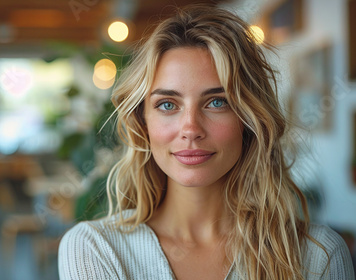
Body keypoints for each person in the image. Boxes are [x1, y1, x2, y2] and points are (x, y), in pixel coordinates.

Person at [58, 5, 355, 280]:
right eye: (167, 105)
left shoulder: (318, 255)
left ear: (249, 121)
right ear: (142, 122)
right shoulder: (95, 249)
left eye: (216, 102)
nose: (191, 129)